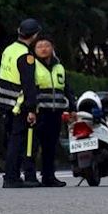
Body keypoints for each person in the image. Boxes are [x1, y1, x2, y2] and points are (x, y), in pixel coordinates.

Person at [0, 18, 42, 189]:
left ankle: (11, 175)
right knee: (18, 142)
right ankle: (12, 177)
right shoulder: (26, 56)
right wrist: (31, 109)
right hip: (19, 104)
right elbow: (28, 84)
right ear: (35, 35)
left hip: (5, 102)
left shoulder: (9, 50)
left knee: (12, 140)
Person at [30, 36, 70, 188]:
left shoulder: (59, 66)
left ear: (52, 47)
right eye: (39, 46)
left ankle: (49, 176)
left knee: (51, 146)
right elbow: (29, 89)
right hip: (39, 112)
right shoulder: (31, 65)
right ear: (34, 50)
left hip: (55, 112)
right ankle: (30, 176)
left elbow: (66, 88)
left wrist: (71, 107)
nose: (43, 49)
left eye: (46, 45)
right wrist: (31, 109)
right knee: (33, 146)